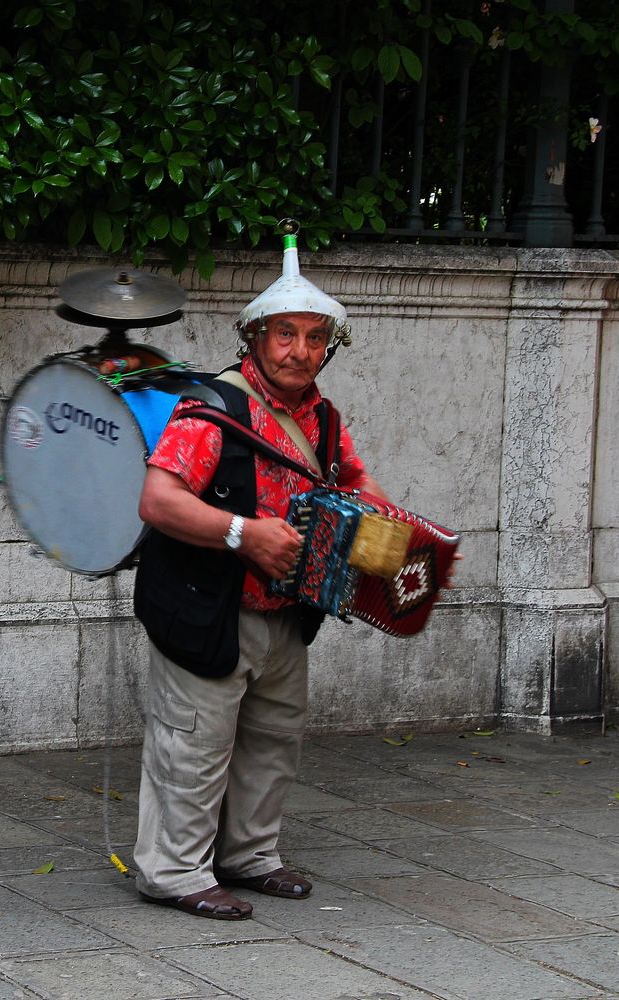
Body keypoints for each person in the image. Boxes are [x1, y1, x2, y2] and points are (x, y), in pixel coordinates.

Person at [131, 227, 392, 920]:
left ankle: (249, 855)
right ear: (254, 337)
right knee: (195, 744)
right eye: (285, 334)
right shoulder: (213, 407)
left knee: (272, 741)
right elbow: (158, 501)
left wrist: (399, 548)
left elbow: (360, 493)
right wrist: (244, 534)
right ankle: (174, 871)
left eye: (314, 338)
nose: (300, 351)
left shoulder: (325, 420)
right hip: (204, 605)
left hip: (284, 611)